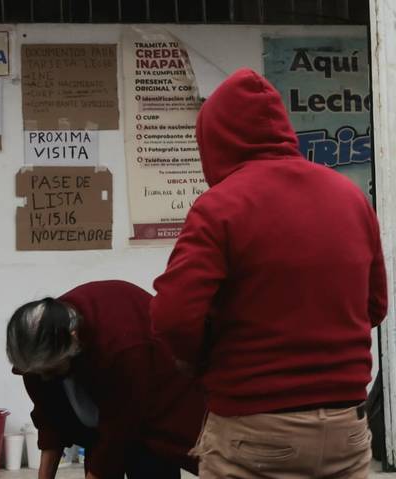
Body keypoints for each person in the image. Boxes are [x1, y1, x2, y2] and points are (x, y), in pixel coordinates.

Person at [150, 68, 388, 478]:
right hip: (346, 427)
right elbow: (376, 306)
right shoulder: (350, 197)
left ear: (215, 140)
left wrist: (198, 360)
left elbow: (171, 317)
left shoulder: (220, 207)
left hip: (254, 430)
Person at [6, 280, 205, 479]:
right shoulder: (36, 353)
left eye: (50, 369)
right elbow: (49, 417)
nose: (45, 377)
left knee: (145, 463)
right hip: (102, 420)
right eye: (38, 372)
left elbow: (120, 429)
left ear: (73, 340)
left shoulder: (121, 346)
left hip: (154, 406)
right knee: (100, 455)